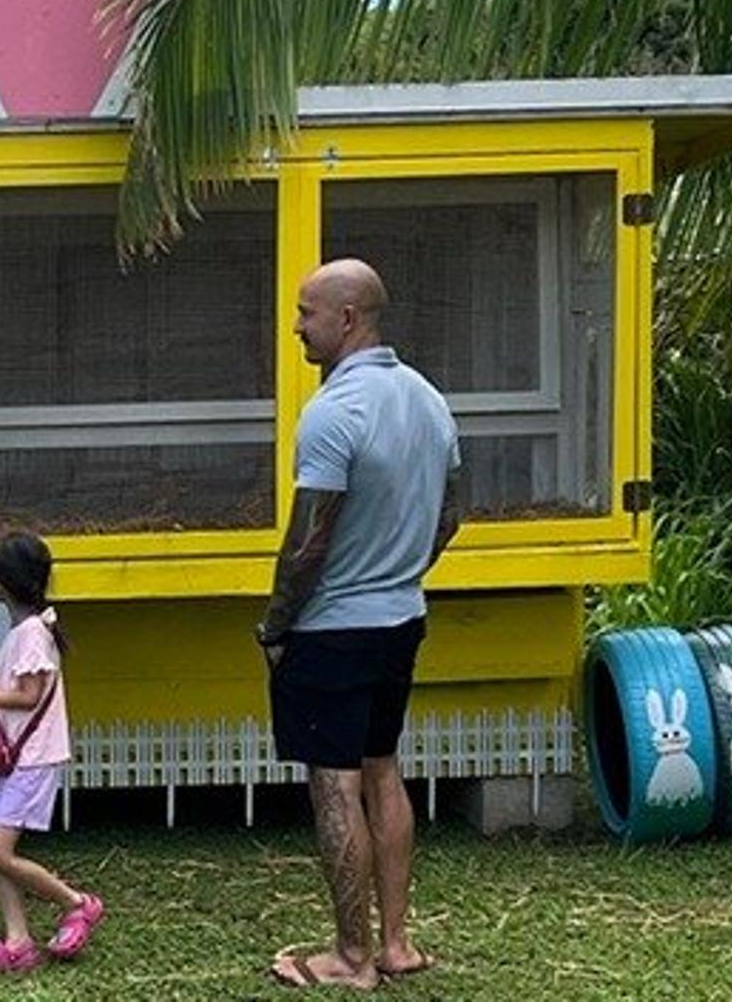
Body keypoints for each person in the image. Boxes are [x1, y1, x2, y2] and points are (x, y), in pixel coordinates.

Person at [260, 260, 461, 991]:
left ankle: (351, 957)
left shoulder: (333, 411)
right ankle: (396, 944)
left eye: (305, 312)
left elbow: (306, 544)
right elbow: (450, 517)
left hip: (332, 629)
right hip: (401, 619)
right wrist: (399, 571)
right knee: (382, 766)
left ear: (347, 318)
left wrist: (276, 626)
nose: (296, 326)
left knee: (335, 783)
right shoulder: (430, 401)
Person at [0, 531, 102, 972]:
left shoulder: (30, 633)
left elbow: (29, 696)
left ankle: (77, 903)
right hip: (17, 758)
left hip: (32, 758)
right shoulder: (28, 630)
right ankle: (17, 939)